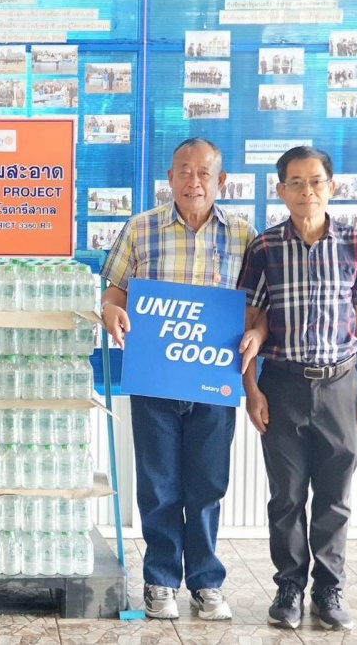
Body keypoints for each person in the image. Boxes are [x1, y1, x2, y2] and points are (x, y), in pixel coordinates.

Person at [100, 138, 262, 621]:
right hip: (155, 378)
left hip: (214, 382)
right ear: (169, 178)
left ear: (221, 180)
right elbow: (113, 293)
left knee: (208, 485)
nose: (194, 181)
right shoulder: (140, 228)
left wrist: (255, 332)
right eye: (184, 172)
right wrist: (110, 312)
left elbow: (256, 307)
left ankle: (207, 583)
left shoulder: (243, 235)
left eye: (204, 173)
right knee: (159, 485)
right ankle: (161, 580)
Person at [237, 146, 357, 632]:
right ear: (281, 191)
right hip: (282, 384)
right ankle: (288, 588)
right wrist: (251, 389)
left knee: (334, 496)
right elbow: (251, 320)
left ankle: (329, 589)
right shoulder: (264, 248)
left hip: (341, 383)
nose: (307, 191)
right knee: (286, 496)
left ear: (332, 187)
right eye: (296, 183)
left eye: (316, 181)